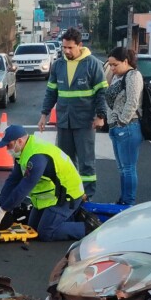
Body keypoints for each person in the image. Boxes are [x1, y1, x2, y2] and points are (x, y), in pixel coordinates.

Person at [0, 125, 92, 241]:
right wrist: (0, 205)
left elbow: (24, 187)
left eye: (9, 145)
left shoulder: (36, 157)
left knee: (46, 233)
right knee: (32, 228)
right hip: (52, 196)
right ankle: (67, 218)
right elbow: (13, 180)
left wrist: (3, 209)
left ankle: (88, 228)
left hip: (67, 196)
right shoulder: (24, 151)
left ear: (19, 141)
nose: (7, 149)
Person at [38, 27, 107, 198]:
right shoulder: (58, 65)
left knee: (86, 162)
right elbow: (51, 92)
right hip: (64, 121)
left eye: (70, 47)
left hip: (85, 121)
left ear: (79, 45)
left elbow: (101, 92)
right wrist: (44, 115)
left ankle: (87, 195)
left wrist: (100, 116)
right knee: (65, 161)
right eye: (64, 47)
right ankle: (69, 193)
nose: (66, 51)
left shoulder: (92, 64)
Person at [104, 46, 144, 206]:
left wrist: (122, 121)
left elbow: (132, 102)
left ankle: (128, 202)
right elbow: (106, 86)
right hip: (116, 127)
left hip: (128, 127)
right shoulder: (117, 76)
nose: (112, 68)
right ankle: (123, 199)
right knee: (122, 168)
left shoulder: (133, 76)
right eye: (110, 65)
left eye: (115, 65)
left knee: (128, 168)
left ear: (126, 61)